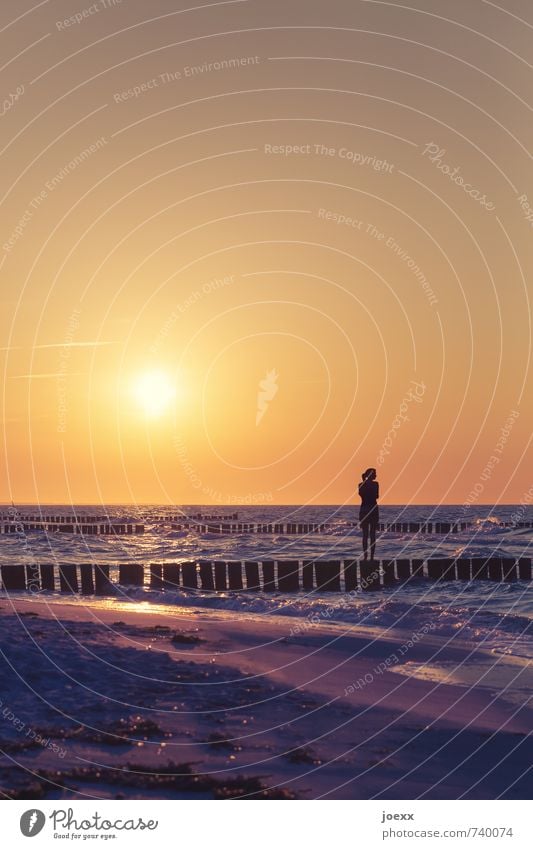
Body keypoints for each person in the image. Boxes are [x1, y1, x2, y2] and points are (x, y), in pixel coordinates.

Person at [358, 468, 379, 560]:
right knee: (372, 534)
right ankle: (371, 557)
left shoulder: (361, 484)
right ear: (370, 475)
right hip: (373, 509)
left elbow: (361, 494)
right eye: (374, 474)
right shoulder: (375, 484)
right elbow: (377, 496)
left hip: (364, 509)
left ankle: (365, 556)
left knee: (365, 535)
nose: (376, 475)